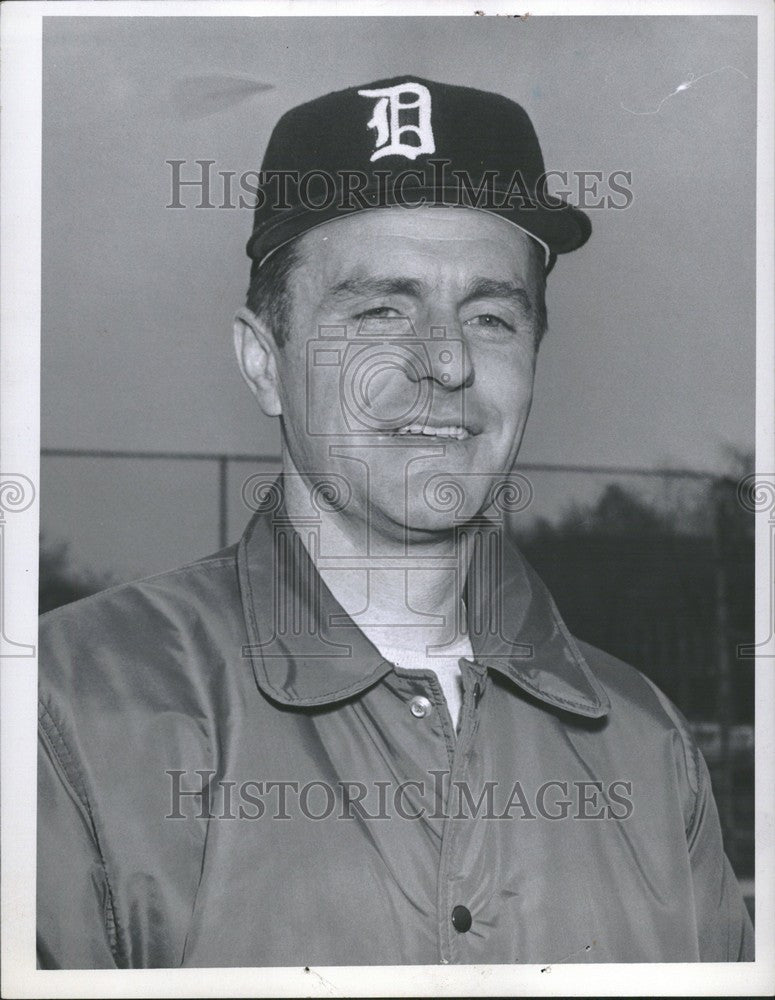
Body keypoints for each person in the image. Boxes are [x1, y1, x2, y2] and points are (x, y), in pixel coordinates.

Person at [37, 75, 753, 968]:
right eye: (381, 310)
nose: (445, 360)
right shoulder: (64, 708)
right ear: (264, 362)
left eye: (491, 316)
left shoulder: (645, 745)